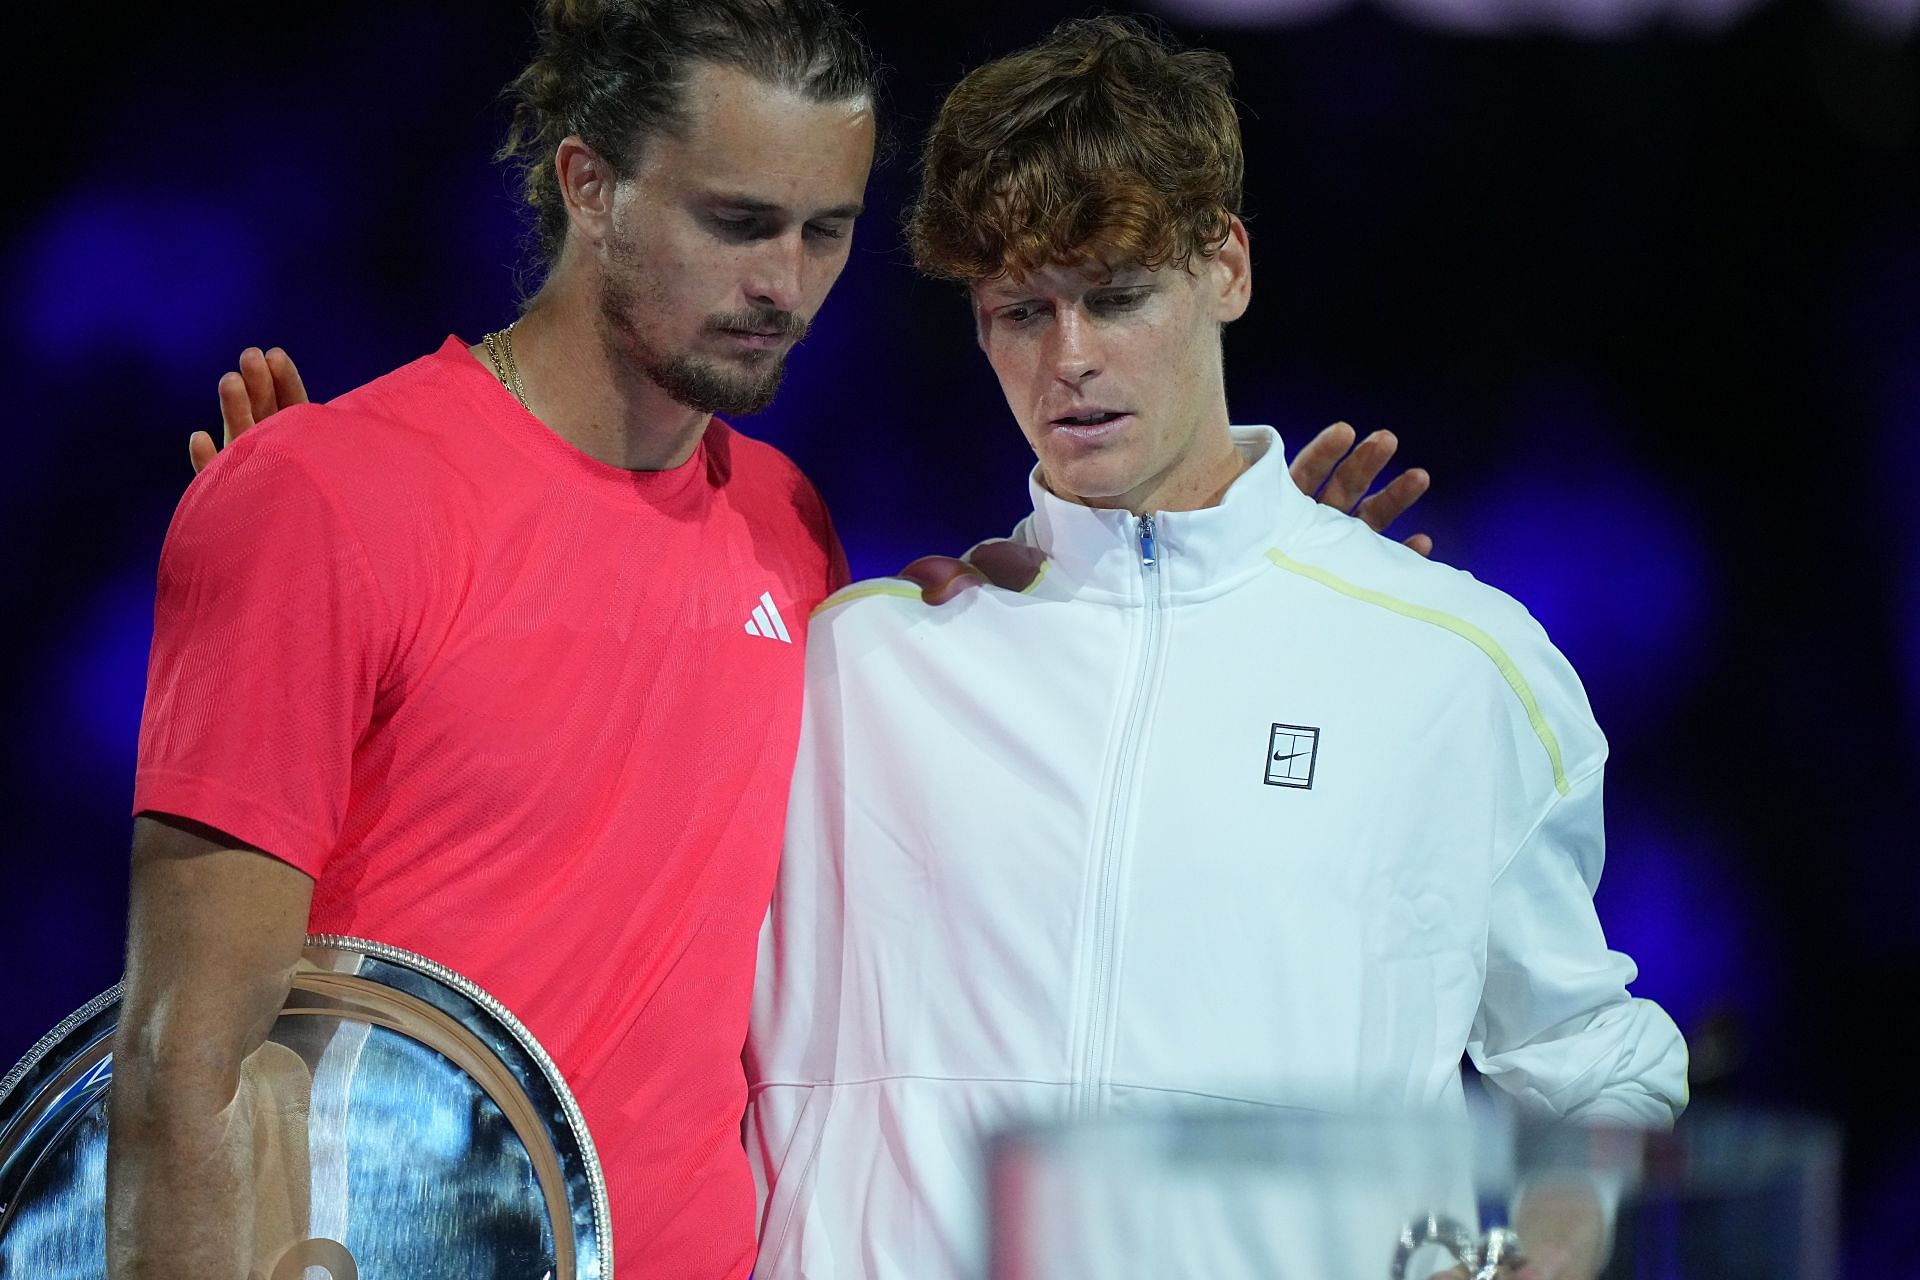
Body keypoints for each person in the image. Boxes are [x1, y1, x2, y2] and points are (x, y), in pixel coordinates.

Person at [124, 3, 1427, 1278]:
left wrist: (1247, 589)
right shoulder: (329, 497)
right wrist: (284, 520)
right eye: (739, 224)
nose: (785, 285)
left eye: (826, 233)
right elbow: (183, 1070)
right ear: (590, 183)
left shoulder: (787, 525)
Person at [743, 16, 1688, 1280]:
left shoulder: (1452, 670)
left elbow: (1598, 1064)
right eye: (1021, 309)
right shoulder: (861, 669)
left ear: (1225, 266)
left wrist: (1548, 1246)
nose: (1068, 359)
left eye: (1117, 295)